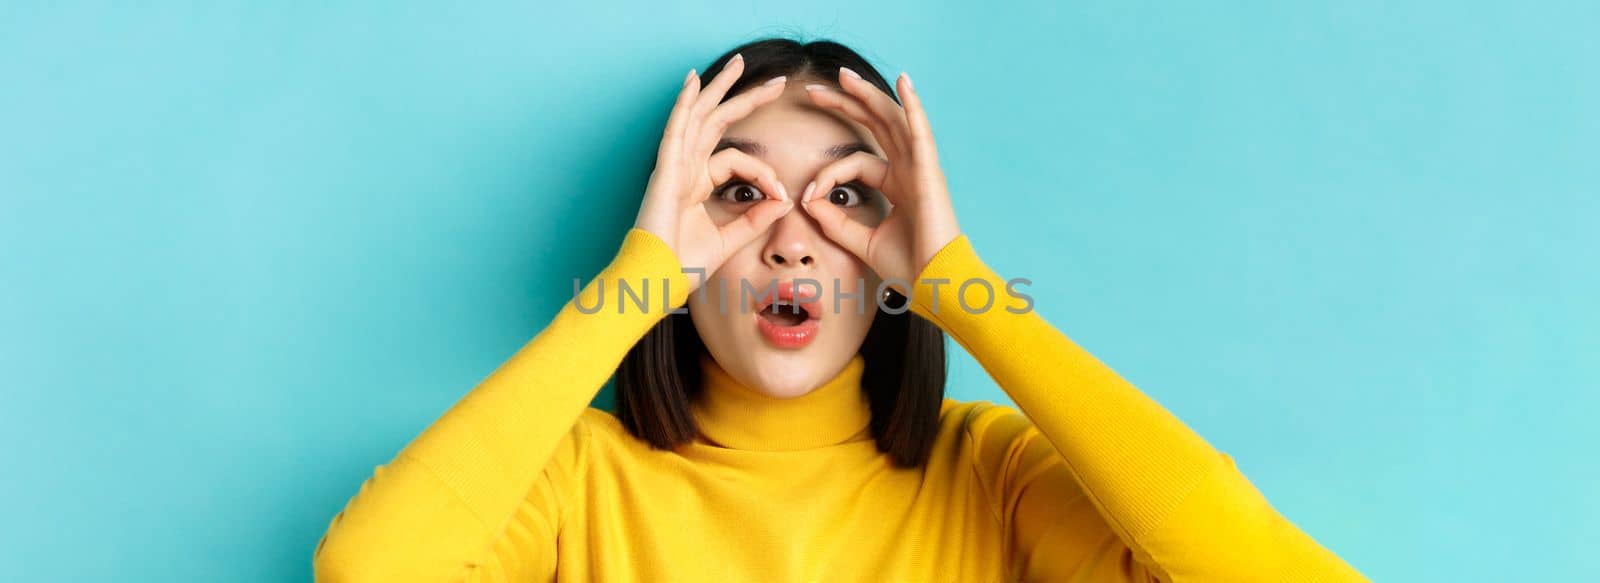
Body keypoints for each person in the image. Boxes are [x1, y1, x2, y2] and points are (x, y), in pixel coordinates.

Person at [312, 37, 1366, 582]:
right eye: (737, 192)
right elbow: (371, 572)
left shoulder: (990, 478)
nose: (793, 234)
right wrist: (633, 290)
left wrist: (968, 296)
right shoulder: (577, 477)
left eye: (849, 197)